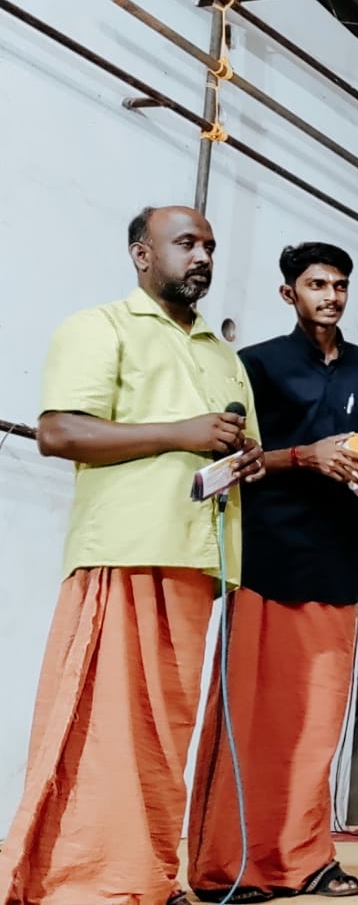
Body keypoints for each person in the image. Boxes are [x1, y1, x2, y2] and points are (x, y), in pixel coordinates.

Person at [0, 206, 264, 905]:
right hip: (123, 549)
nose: (202, 256)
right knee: (107, 726)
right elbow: (58, 432)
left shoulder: (222, 353)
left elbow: (234, 445)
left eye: (209, 244)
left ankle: (146, 873)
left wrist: (248, 460)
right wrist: (182, 431)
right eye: (185, 243)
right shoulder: (98, 327)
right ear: (142, 255)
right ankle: (87, 879)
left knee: (163, 734)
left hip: (197, 557)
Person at [187, 242, 358, 902]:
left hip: (335, 561)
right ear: (289, 294)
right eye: (316, 284)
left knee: (317, 721)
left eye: (339, 285)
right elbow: (235, 462)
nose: (330, 295)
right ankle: (229, 867)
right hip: (265, 558)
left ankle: (307, 860)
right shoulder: (257, 364)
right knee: (246, 719)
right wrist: (304, 457)